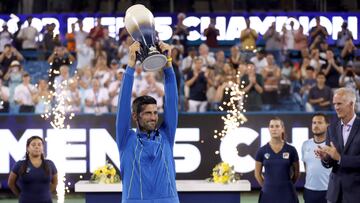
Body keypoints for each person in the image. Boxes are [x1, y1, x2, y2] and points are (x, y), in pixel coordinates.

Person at [116, 41, 179, 203]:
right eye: (148, 113)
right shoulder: (126, 139)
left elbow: (172, 103)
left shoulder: (166, 136)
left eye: (155, 113)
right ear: (135, 116)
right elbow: (123, 105)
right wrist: (130, 66)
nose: (153, 117)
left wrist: (168, 66)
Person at [315, 87, 360, 203]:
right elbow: (330, 163)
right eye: (334, 104)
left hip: (356, 194)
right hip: (334, 195)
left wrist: (340, 158)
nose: (336, 107)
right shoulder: (331, 129)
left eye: (339, 103)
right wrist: (325, 158)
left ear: (351, 104)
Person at [254, 117, 300, 203]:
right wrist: (267, 186)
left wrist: (287, 185)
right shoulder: (261, 151)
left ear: (282, 129)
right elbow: (257, 174)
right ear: (268, 129)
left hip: (288, 194)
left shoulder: (291, 150)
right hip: (268, 194)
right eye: (271, 126)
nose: (274, 129)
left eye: (277, 126)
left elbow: (296, 173)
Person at [8, 136, 58, 203]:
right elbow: (11, 183)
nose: (37, 147)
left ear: (42, 148)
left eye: (39, 145)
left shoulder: (50, 164)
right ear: (28, 148)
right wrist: (22, 195)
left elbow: (55, 183)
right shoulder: (19, 164)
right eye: (33, 145)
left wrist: (45, 194)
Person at [301, 113, 331, 203]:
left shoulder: (333, 145)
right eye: (314, 123)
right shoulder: (305, 144)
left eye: (320, 123)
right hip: (309, 191)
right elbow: (306, 166)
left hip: (329, 190)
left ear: (327, 125)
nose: (316, 125)